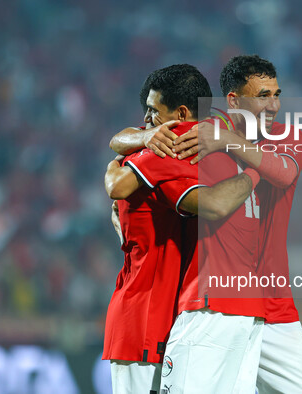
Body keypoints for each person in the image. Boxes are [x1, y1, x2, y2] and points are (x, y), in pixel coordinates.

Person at [102, 64, 259, 394]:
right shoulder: (159, 151)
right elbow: (118, 184)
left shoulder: (203, 147)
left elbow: (117, 165)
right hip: (142, 318)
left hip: (175, 319)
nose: (146, 120)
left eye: (151, 111)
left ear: (183, 112)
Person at [174, 54, 302, 393]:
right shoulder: (206, 131)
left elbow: (284, 174)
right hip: (222, 304)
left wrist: (228, 141)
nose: (273, 105)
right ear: (234, 100)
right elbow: (153, 131)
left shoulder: (289, 135)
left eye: (276, 94)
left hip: (275, 305)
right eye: (262, 96)